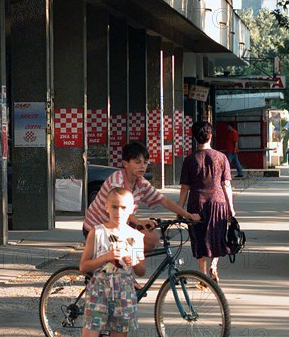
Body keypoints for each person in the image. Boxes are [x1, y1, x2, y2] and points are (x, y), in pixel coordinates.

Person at [78, 188, 146, 337]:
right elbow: (83, 266)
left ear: (131, 210)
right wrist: (106, 257)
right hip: (98, 290)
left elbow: (141, 270)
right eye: (114, 206)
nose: (118, 211)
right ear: (106, 207)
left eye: (124, 207)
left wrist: (133, 262)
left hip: (123, 293)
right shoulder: (96, 233)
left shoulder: (135, 236)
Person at [83, 142, 200, 252]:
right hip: (97, 229)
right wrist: (138, 222)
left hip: (118, 227)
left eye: (145, 162)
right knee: (114, 264)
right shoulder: (117, 181)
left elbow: (163, 200)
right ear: (125, 164)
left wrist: (187, 215)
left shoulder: (141, 182)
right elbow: (119, 208)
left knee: (151, 239)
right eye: (137, 162)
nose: (142, 166)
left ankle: (128, 265)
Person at [179, 120, 235, 283]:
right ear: (210, 136)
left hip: (196, 203)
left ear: (194, 137)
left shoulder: (190, 159)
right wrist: (230, 207)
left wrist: (180, 209)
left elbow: (185, 187)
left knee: (199, 238)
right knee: (217, 235)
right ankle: (214, 265)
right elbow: (226, 184)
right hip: (218, 202)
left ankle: (202, 275)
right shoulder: (221, 157)